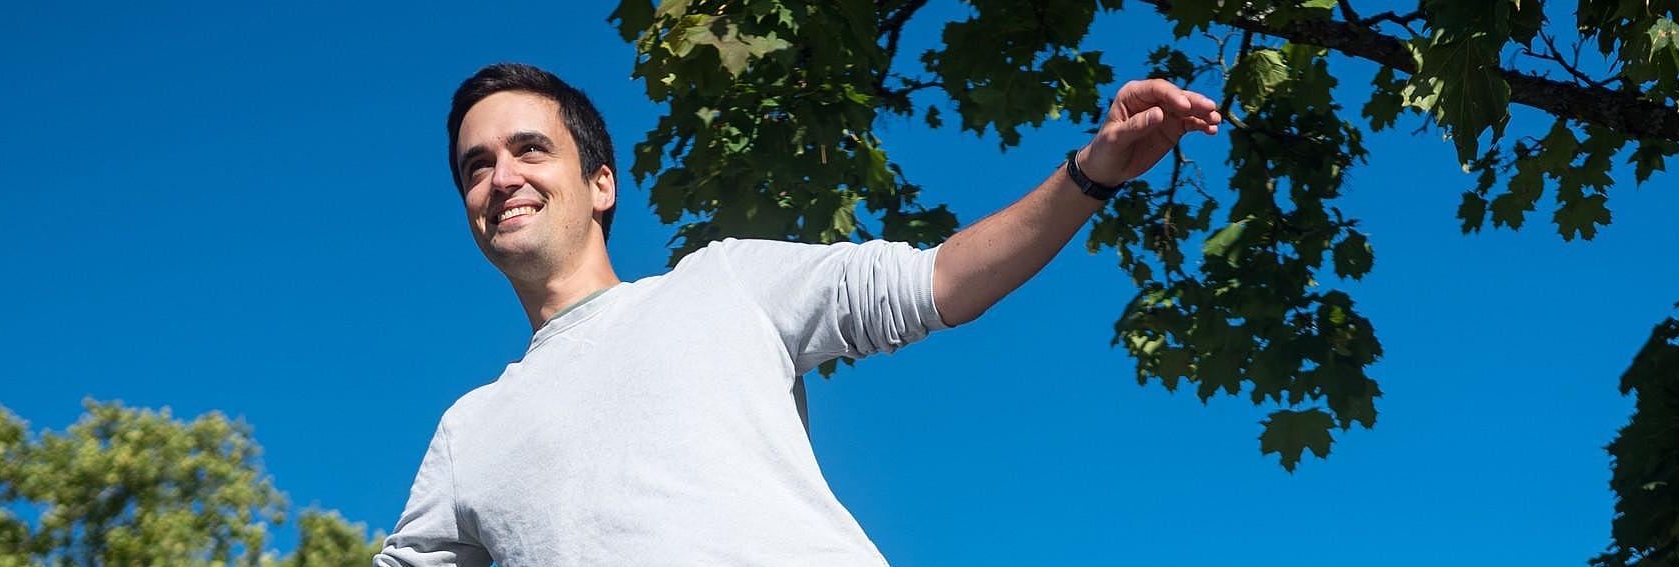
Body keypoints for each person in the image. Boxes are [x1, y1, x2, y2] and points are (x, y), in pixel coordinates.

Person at [375, 62, 1221, 566]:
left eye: (530, 148)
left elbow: (943, 280)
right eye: (475, 166)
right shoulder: (469, 430)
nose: (502, 177)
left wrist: (1093, 170)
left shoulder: (723, 282)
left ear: (602, 184)